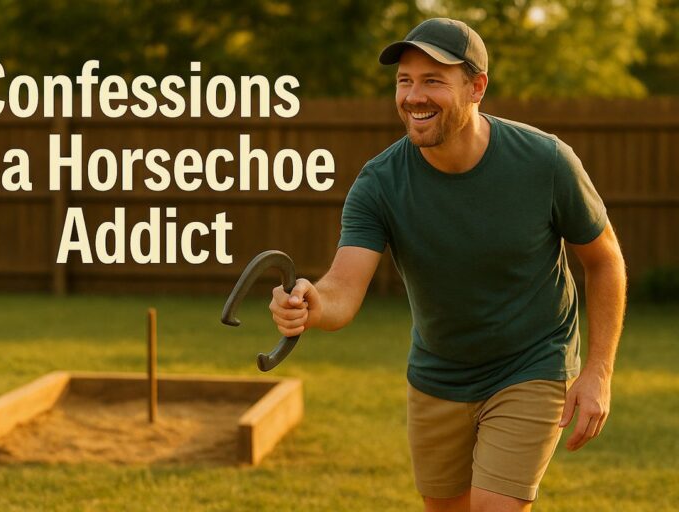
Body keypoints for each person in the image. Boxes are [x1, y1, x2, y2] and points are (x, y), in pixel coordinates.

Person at [269, 17, 627, 512]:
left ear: (477, 86)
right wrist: (310, 303)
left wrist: (598, 372)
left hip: (532, 361)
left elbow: (604, 260)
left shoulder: (544, 163)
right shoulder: (379, 184)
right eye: (404, 81)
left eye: (433, 80)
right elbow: (342, 290)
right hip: (438, 374)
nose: (414, 96)